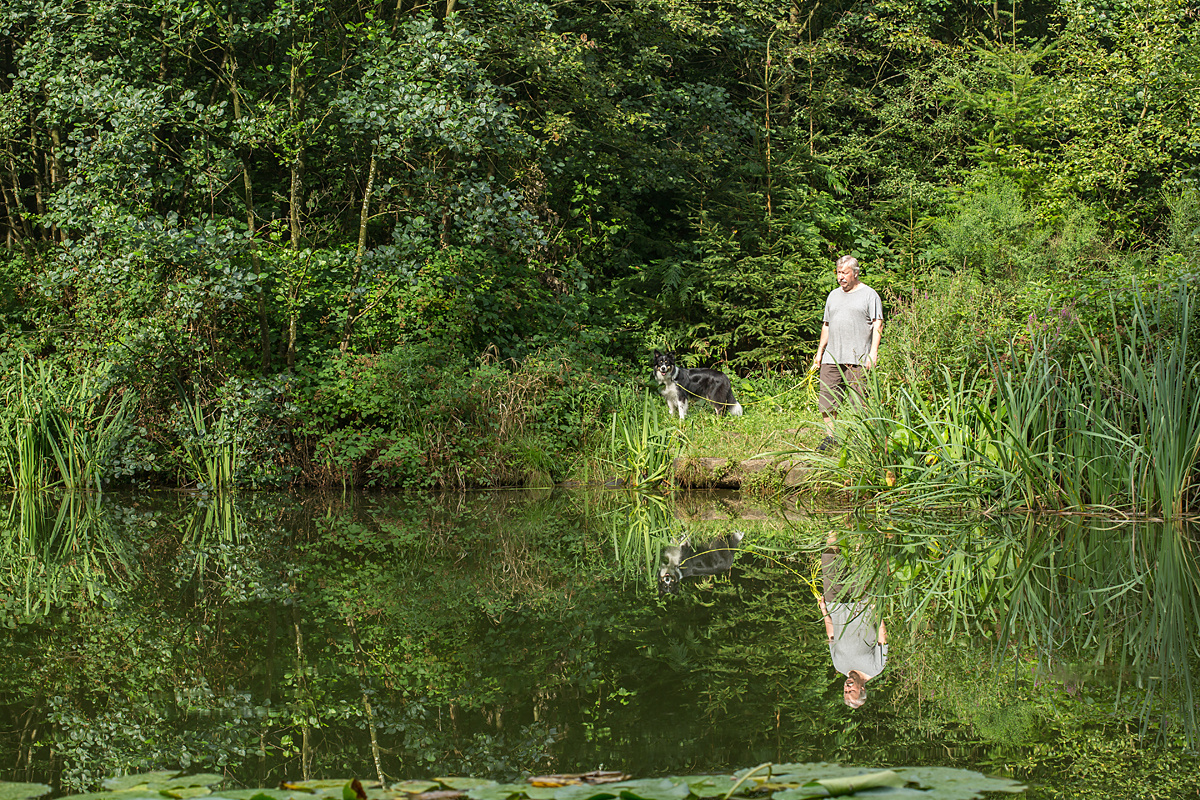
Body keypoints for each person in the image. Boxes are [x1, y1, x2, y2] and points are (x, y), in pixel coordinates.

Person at [810, 255, 883, 449]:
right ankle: (831, 438)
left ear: (855, 273)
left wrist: (873, 353)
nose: (840, 277)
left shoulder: (869, 295)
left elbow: (878, 324)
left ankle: (861, 441)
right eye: (838, 272)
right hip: (832, 357)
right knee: (827, 400)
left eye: (845, 273)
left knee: (859, 402)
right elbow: (826, 326)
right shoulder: (833, 295)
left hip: (858, 358)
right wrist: (819, 353)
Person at [817, 535, 887, 708]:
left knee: (829, 559)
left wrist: (824, 611)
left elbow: (831, 635)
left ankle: (834, 526)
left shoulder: (839, 665)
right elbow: (882, 639)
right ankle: (858, 526)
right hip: (861, 602)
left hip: (836, 604)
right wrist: (876, 610)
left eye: (845, 691)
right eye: (851, 691)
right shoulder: (876, 668)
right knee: (860, 559)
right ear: (862, 689)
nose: (847, 688)